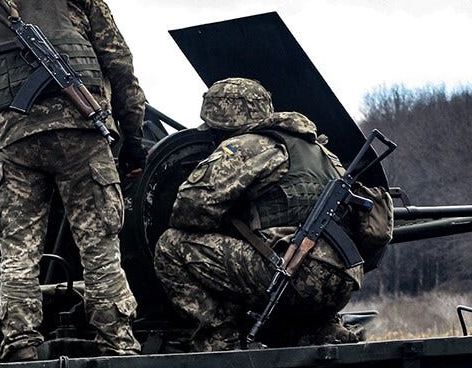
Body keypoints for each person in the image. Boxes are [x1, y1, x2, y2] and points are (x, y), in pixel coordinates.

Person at [0, 0, 146, 361]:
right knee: (99, 245)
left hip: (14, 142)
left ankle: (20, 342)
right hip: (82, 135)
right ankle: (117, 343)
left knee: (17, 252)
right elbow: (121, 70)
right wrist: (134, 146)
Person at [153, 77, 364, 351]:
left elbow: (189, 208)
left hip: (291, 273)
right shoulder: (321, 151)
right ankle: (321, 329)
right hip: (342, 281)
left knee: (171, 246)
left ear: (222, 124)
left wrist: (223, 223)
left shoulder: (246, 147)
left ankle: (221, 341)